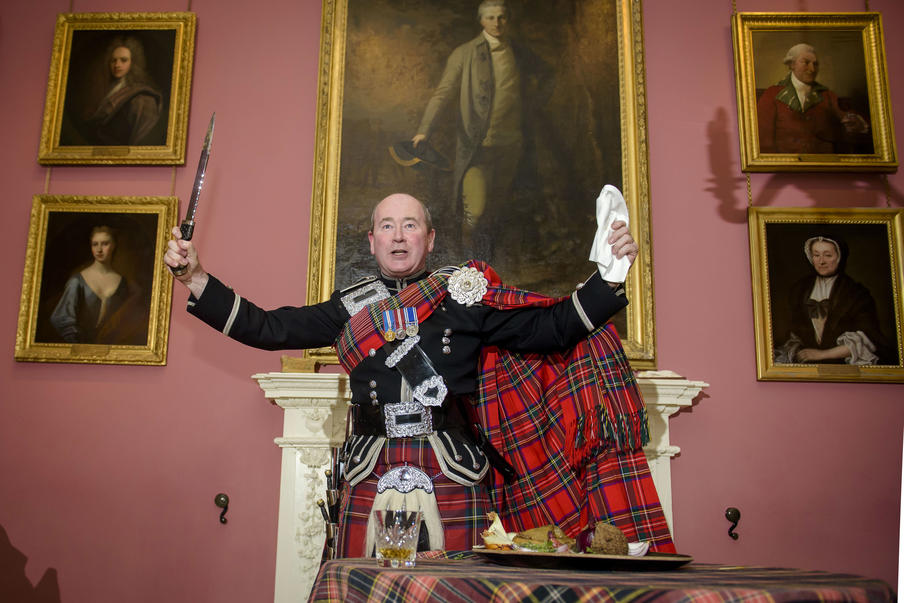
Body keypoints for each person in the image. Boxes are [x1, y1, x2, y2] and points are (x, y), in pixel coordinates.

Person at [165, 192, 675, 556]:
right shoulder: (350, 307)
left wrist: (610, 275)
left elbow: (551, 328)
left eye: (411, 225)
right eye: (387, 225)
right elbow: (269, 327)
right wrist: (196, 278)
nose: (399, 236)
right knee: (370, 590)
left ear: (430, 240)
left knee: (458, 592)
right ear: (371, 241)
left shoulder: (464, 292)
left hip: (453, 465)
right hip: (369, 463)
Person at [411, 0, 551, 256]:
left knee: (497, 209)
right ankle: (467, 266)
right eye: (490, 17)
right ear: (481, 21)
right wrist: (424, 130)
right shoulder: (465, 52)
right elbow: (443, 93)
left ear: (507, 20)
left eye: (501, 17)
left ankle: (488, 267)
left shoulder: (518, 52)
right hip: (477, 147)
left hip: (511, 145)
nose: (497, 23)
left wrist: (533, 104)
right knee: (474, 212)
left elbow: (547, 76)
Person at [774, 235, 895, 365]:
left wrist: (821, 354)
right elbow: (791, 334)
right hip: (807, 368)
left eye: (828, 255)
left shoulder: (856, 294)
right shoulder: (799, 290)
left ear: (840, 257)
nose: (821, 262)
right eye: (816, 255)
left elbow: (868, 340)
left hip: (843, 366)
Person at [757, 43, 872, 155]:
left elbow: (845, 115)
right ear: (792, 65)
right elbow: (763, 139)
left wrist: (855, 122)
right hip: (786, 167)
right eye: (806, 63)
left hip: (823, 165)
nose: (812, 69)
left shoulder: (827, 94)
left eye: (815, 64)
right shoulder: (772, 94)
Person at [50, 226, 141, 345]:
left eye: (105, 244)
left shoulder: (124, 284)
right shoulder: (77, 281)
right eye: (95, 244)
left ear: (113, 245)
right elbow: (60, 318)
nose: (99, 249)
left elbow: (128, 321)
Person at [83, 36, 163, 146]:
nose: (117, 65)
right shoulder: (110, 89)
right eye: (113, 61)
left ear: (133, 62)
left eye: (123, 60)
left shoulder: (142, 97)